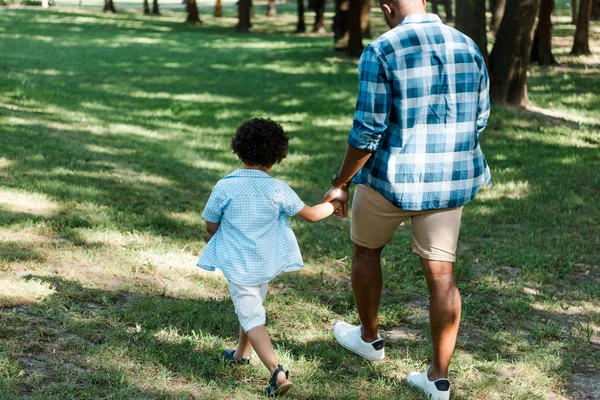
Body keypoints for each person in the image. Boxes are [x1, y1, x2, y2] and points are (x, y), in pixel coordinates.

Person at [322, 0, 491, 399]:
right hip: (447, 184)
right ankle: (439, 377)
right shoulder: (467, 45)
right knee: (442, 277)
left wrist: (340, 182)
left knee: (366, 252)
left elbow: (367, 131)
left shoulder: (381, 50)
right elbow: (479, 116)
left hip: (388, 180)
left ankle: (369, 338)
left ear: (387, 8)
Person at [198, 118, 342, 396]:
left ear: (238, 150)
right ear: (277, 156)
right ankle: (241, 354)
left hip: (239, 265)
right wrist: (335, 202)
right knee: (252, 308)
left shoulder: (225, 186)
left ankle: (277, 373)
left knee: (252, 315)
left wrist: (219, 232)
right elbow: (312, 215)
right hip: (265, 262)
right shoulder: (277, 188)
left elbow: (210, 225)